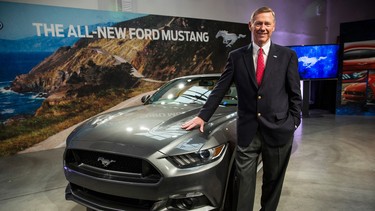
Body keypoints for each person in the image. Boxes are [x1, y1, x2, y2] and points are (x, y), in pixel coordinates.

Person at [181, 6, 302, 211]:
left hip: (279, 129)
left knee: (273, 183)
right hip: (248, 131)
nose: (262, 27)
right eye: (258, 23)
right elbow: (220, 88)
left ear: (273, 27)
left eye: (267, 24)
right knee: (243, 183)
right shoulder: (237, 56)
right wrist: (203, 116)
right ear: (250, 25)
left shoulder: (287, 56)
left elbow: (294, 94)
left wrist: (293, 122)